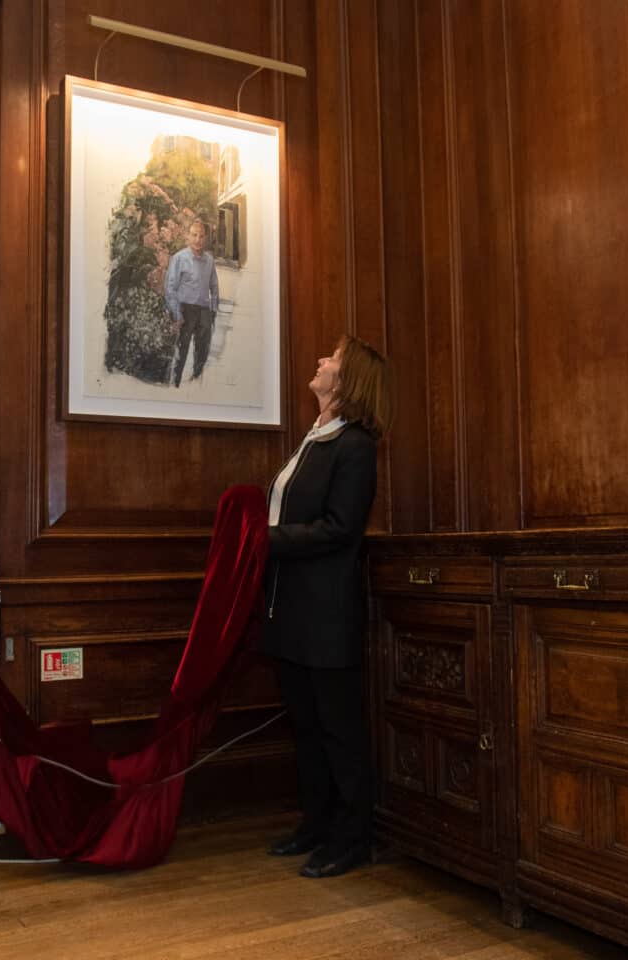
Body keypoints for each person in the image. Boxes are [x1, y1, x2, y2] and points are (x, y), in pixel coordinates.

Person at [261, 334, 393, 880]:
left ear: (350, 379)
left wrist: (262, 540)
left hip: (326, 616)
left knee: (339, 730)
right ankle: (315, 824)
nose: (319, 362)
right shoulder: (316, 438)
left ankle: (351, 838)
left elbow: (340, 530)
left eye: (331, 359)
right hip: (291, 612)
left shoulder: (356, 445)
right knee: (307, 726)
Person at [165, 220, 220, 386]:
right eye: (194, 235)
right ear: (188, 236)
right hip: (185, 310)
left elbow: (214, 286)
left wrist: (213, 310)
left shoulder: (209, 260)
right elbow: (170, 288)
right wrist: (177, 313)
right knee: (181, 353)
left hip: (204, 311)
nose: (198, 239)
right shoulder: (179, 258)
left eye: (201, 236)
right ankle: (175, 385)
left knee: (202, 352)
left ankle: (196, 386)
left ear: (206, 238)